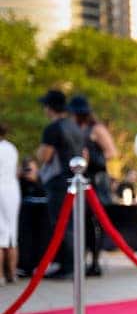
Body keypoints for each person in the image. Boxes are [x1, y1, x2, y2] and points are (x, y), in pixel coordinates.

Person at [36, 90, 84, 279]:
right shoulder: (75, 127)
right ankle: (74, 263)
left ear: (49, 108)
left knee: (61, 223)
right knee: (72, 223)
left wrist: (38, 154)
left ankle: (67, 265)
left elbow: (45, 156)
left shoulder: (53, 129)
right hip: (75, 180)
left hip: (58, 182)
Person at [69, 95, 117, 277]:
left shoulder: (96, 129)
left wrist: (92, 157)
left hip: (95, 180)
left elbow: (111, 152)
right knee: (82, 221)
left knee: (94, 221)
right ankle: (81, 259)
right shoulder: (76, 129)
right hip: (82, 178)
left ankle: (95, 262)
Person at [0, 124, 19, 285]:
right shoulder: (11, 148)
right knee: (12, 233)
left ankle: (0, 275)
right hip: (12, 190)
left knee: (1, 235)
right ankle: (12, 273)